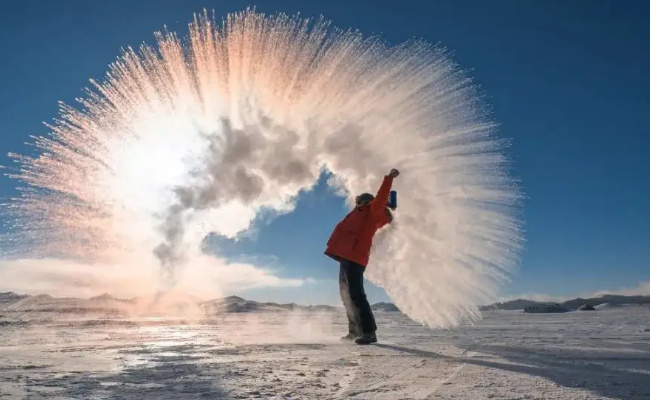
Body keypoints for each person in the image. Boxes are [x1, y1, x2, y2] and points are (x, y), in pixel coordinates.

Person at [324, 168, 399, 345]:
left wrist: (388, 178)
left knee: (356, 294)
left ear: (367, 202)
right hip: (345, 257)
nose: (357, 203)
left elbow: (380, 198)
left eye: (360, 200)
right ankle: (355, 331)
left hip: (355, 257)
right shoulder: (358, 213)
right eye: (357, 201)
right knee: (346, 296)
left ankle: (369, 332)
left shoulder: (371, 213)